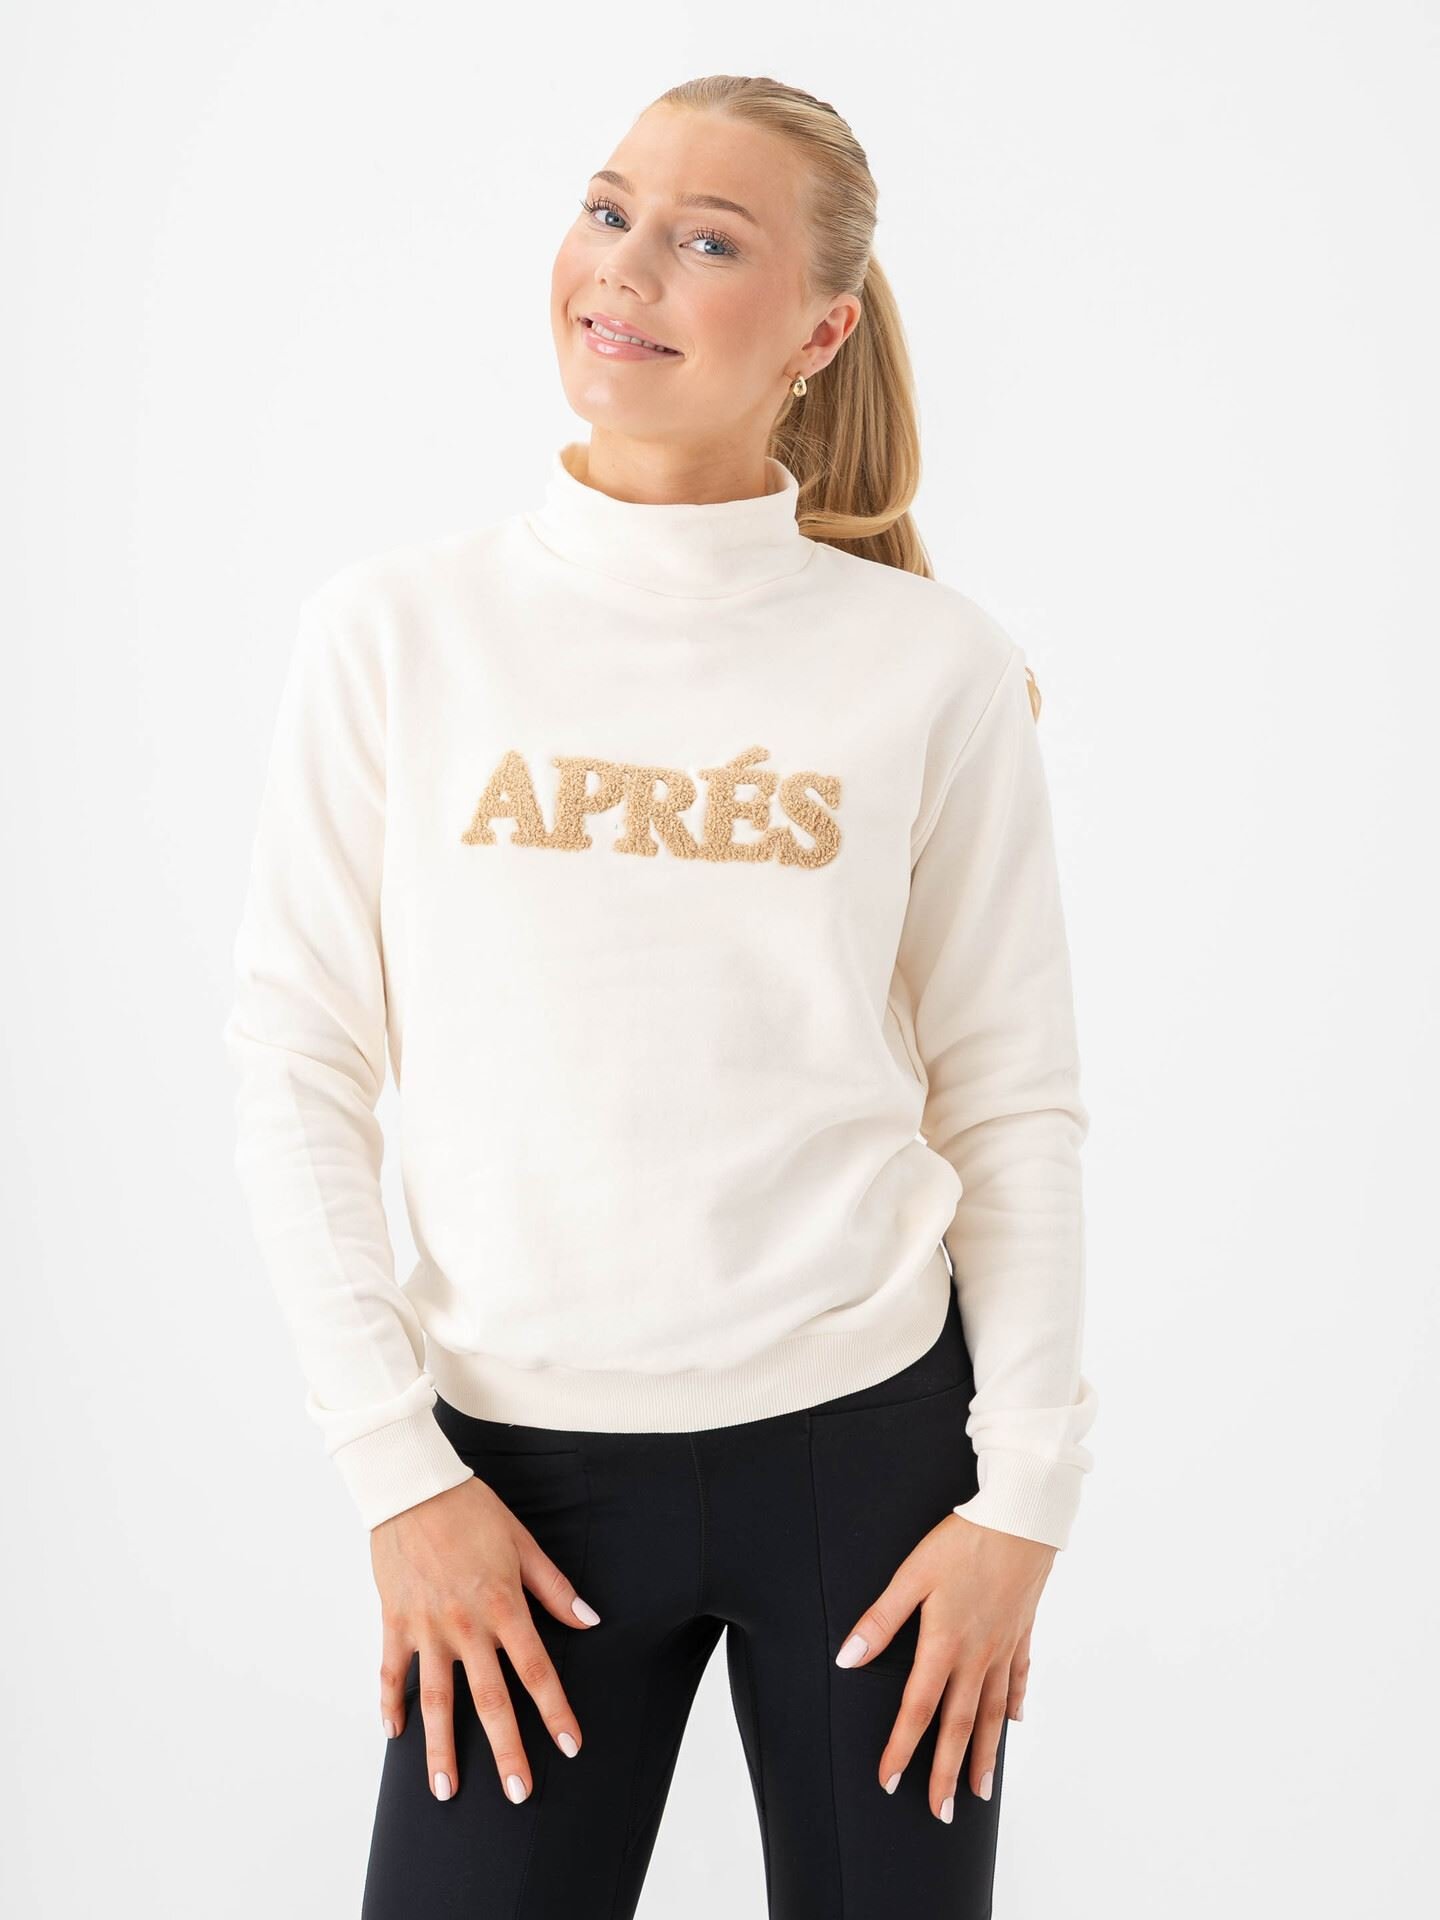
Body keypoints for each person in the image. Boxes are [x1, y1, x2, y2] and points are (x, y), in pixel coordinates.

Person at [223, 72, 1098, 1920]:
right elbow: (297, 1062)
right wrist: (398, 1476)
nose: (624, 268)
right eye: (609, 209)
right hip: (513, 1489)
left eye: (708, 241)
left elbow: (1009, 1096)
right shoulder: (395, 633)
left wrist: (1022, 1498)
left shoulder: (934, 667)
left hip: (872, 1470)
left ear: (821, 331)